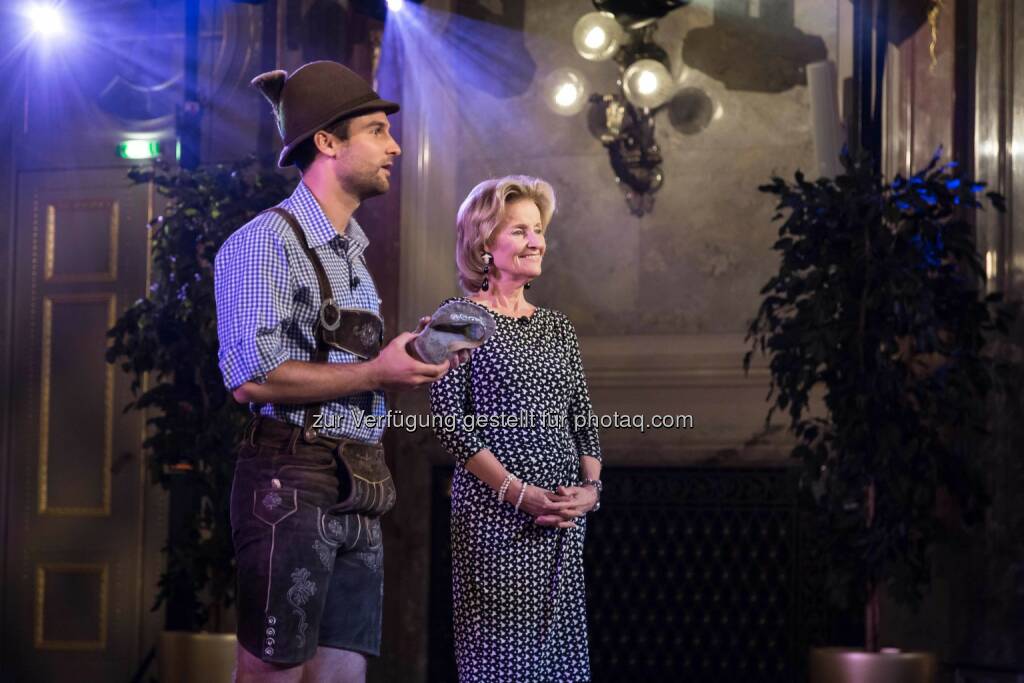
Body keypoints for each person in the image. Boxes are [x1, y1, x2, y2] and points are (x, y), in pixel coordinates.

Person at [215, 61, 464, 683]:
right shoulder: (264, 242)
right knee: (274, 673)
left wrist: (411, 359)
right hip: (290, 479)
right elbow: (252, 377)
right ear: (327, 142)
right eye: (378, 130)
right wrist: (378, 373)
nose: (395, 146)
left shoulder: (351, 252)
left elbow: (355, 368)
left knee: (342, 675)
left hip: (361, 481)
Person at [429, 176, 604, 682]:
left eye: (539, 230)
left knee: (558, 666)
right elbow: (448, 421)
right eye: (520, 231)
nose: (536, 241)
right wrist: (517, 492)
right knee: (503, 665)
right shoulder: (456, 317)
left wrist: (590, 492)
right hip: (494, 520)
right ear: (485, 243)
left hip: (561, 523)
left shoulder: (558, 327)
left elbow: (582, 422)